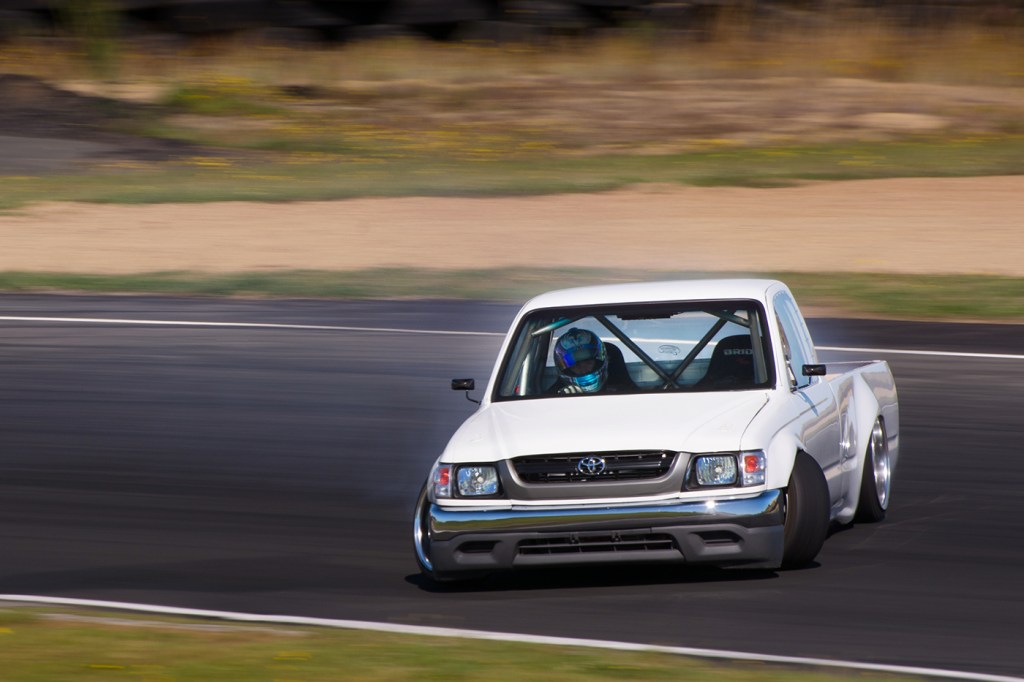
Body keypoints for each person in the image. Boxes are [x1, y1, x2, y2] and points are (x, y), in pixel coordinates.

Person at [552, 327, 608, 394]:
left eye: (588, 362)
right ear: (567, 370)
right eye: (576, 365)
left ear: (598, 362)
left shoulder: (622, 389)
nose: (583, 370)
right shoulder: (553, 397)